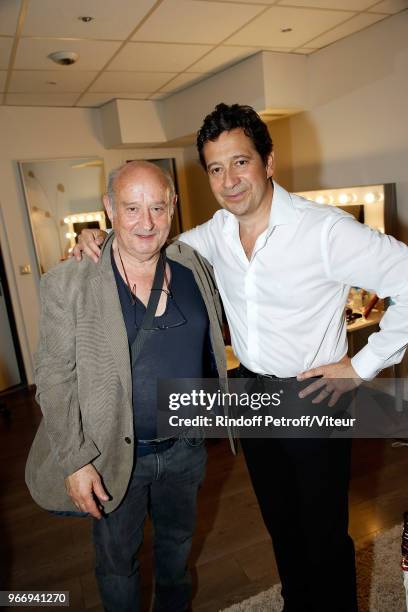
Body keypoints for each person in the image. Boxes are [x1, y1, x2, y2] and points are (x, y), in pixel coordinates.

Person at [74, 104, 408, 611]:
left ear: (268, 162)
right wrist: (97, 237)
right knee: (282, 528)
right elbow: (151, 246)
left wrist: (360, 367)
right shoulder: (214, 234)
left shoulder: (325, 231)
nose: (229, 181)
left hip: (313, 394)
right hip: (251, 395)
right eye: (214, 168)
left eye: (240, 162)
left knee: (323, 538)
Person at [25, 160, 231, 612]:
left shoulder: (194, 264)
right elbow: (55, 378)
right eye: (131, 208)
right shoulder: (70, 281)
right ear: (109, 208)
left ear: (173, 207)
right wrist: (76, 461)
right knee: (118, 563)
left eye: (157, 207)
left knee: (177, 551)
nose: (146, 222)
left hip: (185, 449)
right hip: (113, 457)